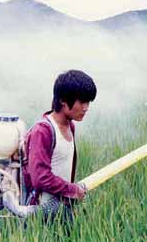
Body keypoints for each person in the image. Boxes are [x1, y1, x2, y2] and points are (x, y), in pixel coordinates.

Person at [21, 69, 97, 220]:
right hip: (41, 213)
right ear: (63, 100)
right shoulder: (43, 131)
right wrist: (72, 190)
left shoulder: (70, 126)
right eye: (82, 101)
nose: (86, 108)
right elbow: (41, 177)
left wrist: (70, 193)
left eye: (88, 102)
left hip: (61, 207)